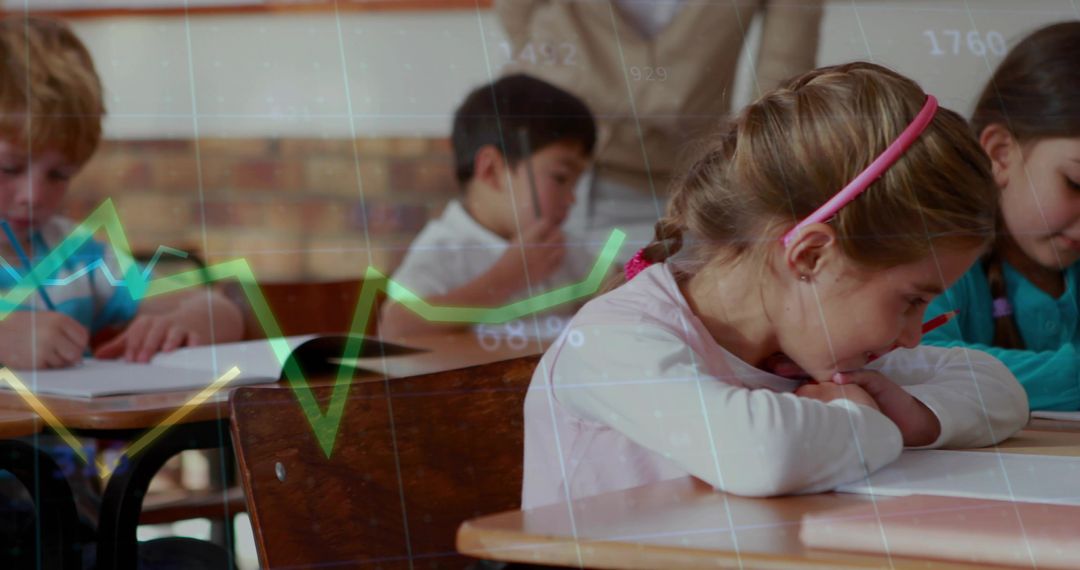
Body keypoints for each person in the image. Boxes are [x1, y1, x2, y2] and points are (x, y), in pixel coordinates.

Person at [521, 62, 1029, 509]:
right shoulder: (615, 341)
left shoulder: (805, 340)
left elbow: (999, 389)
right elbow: (763, 455)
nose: (913, 335)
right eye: (911, 300)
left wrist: (914, 415)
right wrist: (864, 418)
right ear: (810, 255)